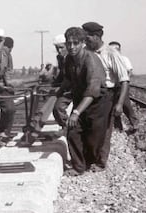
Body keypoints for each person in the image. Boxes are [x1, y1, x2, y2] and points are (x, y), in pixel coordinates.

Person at [57, 27, 109, 175]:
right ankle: (78, 166)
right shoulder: (69, 59)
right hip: (81, 97)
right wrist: (58, 92)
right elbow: (68, 79)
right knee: (73, 130)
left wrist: (76, 112)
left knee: (94, 137)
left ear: (83, 43)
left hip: (97, 102)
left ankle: (92, 160)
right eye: (69, 43)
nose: (71, 47)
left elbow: (92, 91)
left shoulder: (91, 60)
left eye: (76, 43)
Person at [82, 22, 130, 170]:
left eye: (87, 37)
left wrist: (120, 104)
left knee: (103, 130)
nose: (85, 40)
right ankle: (88, 158)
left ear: (96, 36)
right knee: (87, 127)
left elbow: (124, 80)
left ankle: (100, 162)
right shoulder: (85, 52)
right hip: (89, 94)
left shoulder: (111, 53)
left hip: (106, 95)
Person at [108, 41, 138, 133]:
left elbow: (129, 71)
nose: (114, 51)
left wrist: (125, 81)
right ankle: (118, 127)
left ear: (119, 50)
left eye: (116, 49)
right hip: (112, 86)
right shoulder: (109, 58)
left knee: (125, 104)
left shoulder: (124, 59)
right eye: (111, 49)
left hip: (122, 85)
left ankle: (134, 123)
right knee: (113, 106)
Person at [52, 34, 73, 129]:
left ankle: (68, 128)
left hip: (75, 87)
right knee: (57, 109)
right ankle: (66, 127)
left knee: (58, 108)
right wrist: (54, 83)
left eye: (61, 47)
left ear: (67, 46)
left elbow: (70, 77)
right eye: (57, 48)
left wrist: (60, 89)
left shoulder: (73, 57)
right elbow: (62, 74)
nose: (59, 51)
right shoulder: (60, 58)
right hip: (67, 86)